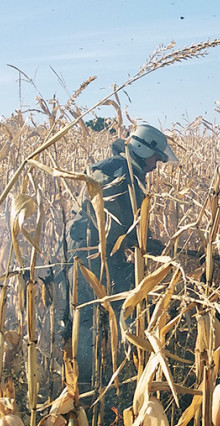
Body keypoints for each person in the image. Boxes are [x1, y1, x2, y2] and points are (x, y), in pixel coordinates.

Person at [65, 124, 178, 387]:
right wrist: (147, 246)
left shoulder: (121, 169)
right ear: (142, 148)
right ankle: (85, 385)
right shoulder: (119, 175)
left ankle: (105, 370)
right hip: (90, 254)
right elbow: (116, 226)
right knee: (88, 317)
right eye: (155, 158)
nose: (156, 164)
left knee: (106, 311)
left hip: (95, 251)